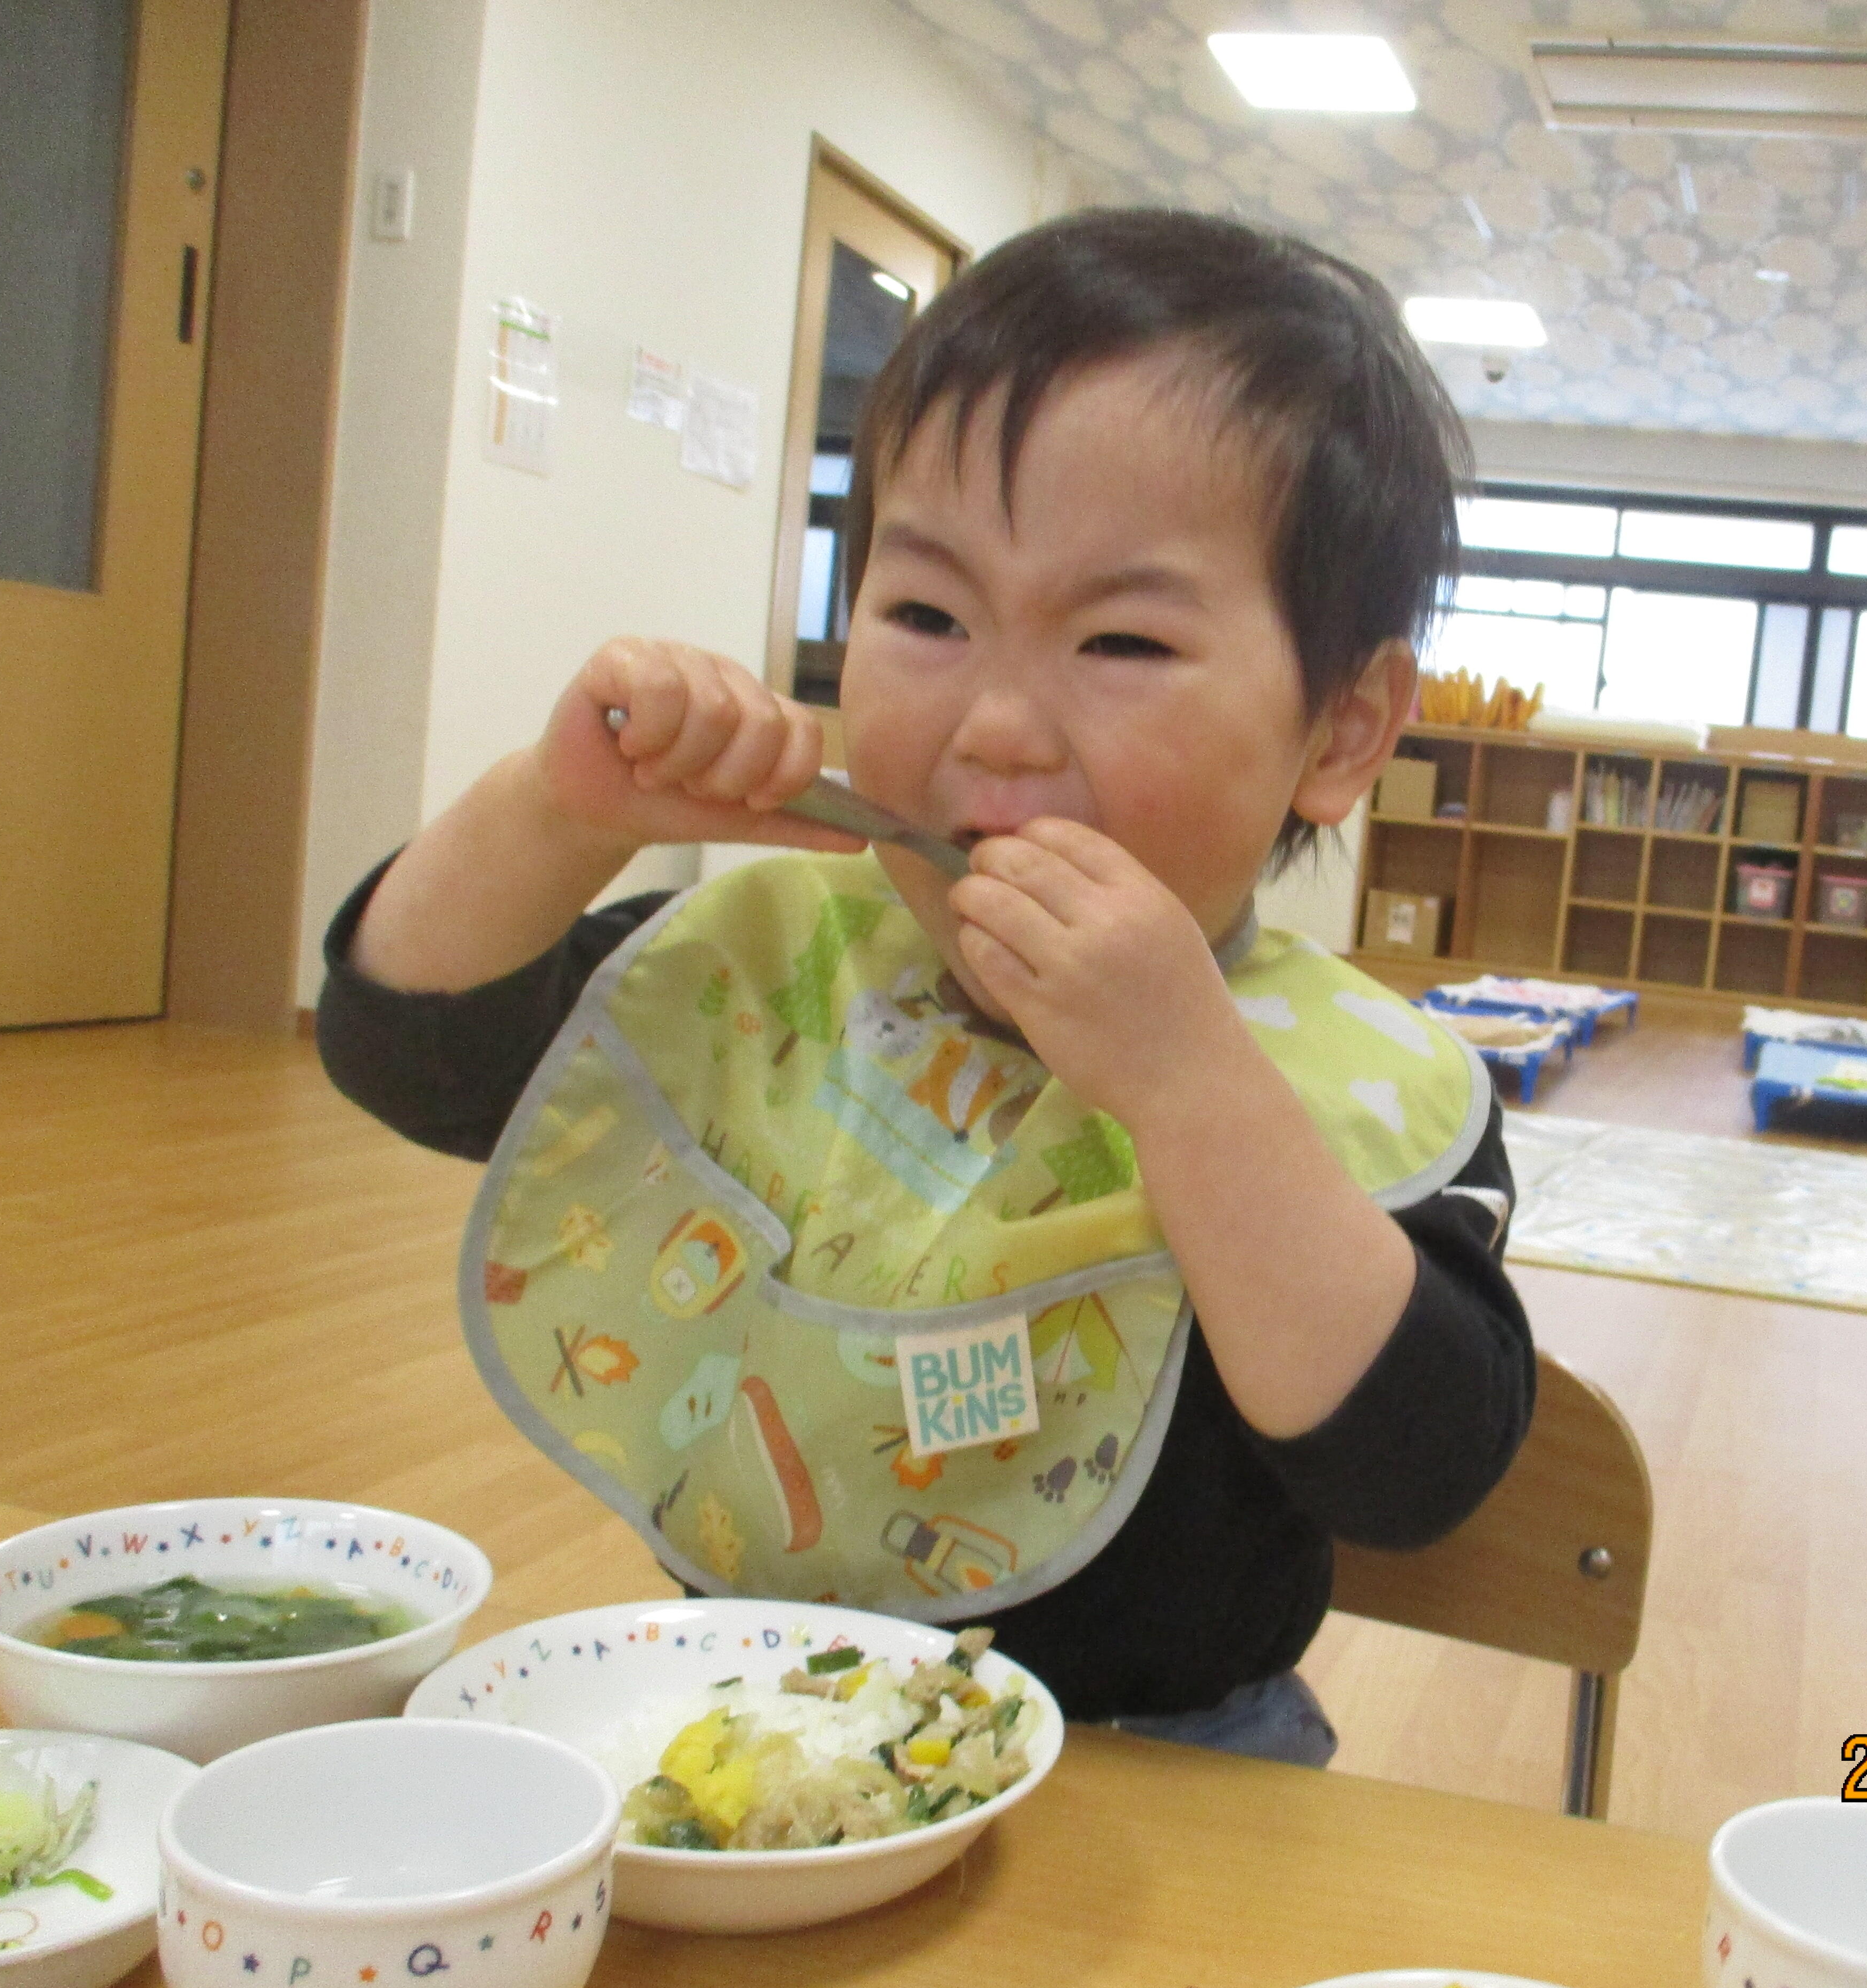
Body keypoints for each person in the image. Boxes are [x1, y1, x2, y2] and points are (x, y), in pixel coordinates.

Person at [315, 209, 1536, 1769]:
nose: (1000, 725)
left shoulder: (1347, 1084)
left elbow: (1415, 1471)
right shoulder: (790, 962)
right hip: (734, 1714)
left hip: (1164, 1768)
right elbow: (411, 1048)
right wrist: (557, 809)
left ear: (1343, 733)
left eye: (1123, 640)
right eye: (927, 617)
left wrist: (1188, 1084)